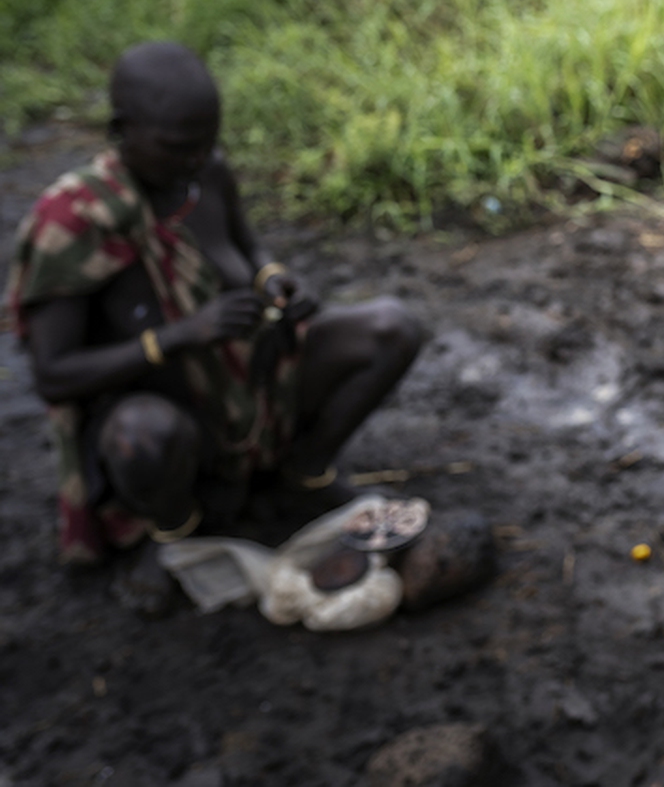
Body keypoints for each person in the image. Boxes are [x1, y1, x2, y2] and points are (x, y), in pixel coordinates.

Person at [6, 41, 427, 567]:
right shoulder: (75, 221)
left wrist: (274, 279)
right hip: (174, 420)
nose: (196, 159)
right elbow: (54, 374)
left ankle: (299, 474)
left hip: (259, 386)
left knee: (392, 327)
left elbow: (247, 248)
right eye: (179, 146)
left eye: (207, 143)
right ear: (120, 130)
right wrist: (180, 335)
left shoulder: (205, 175)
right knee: (142, 437)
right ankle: (181, 527)